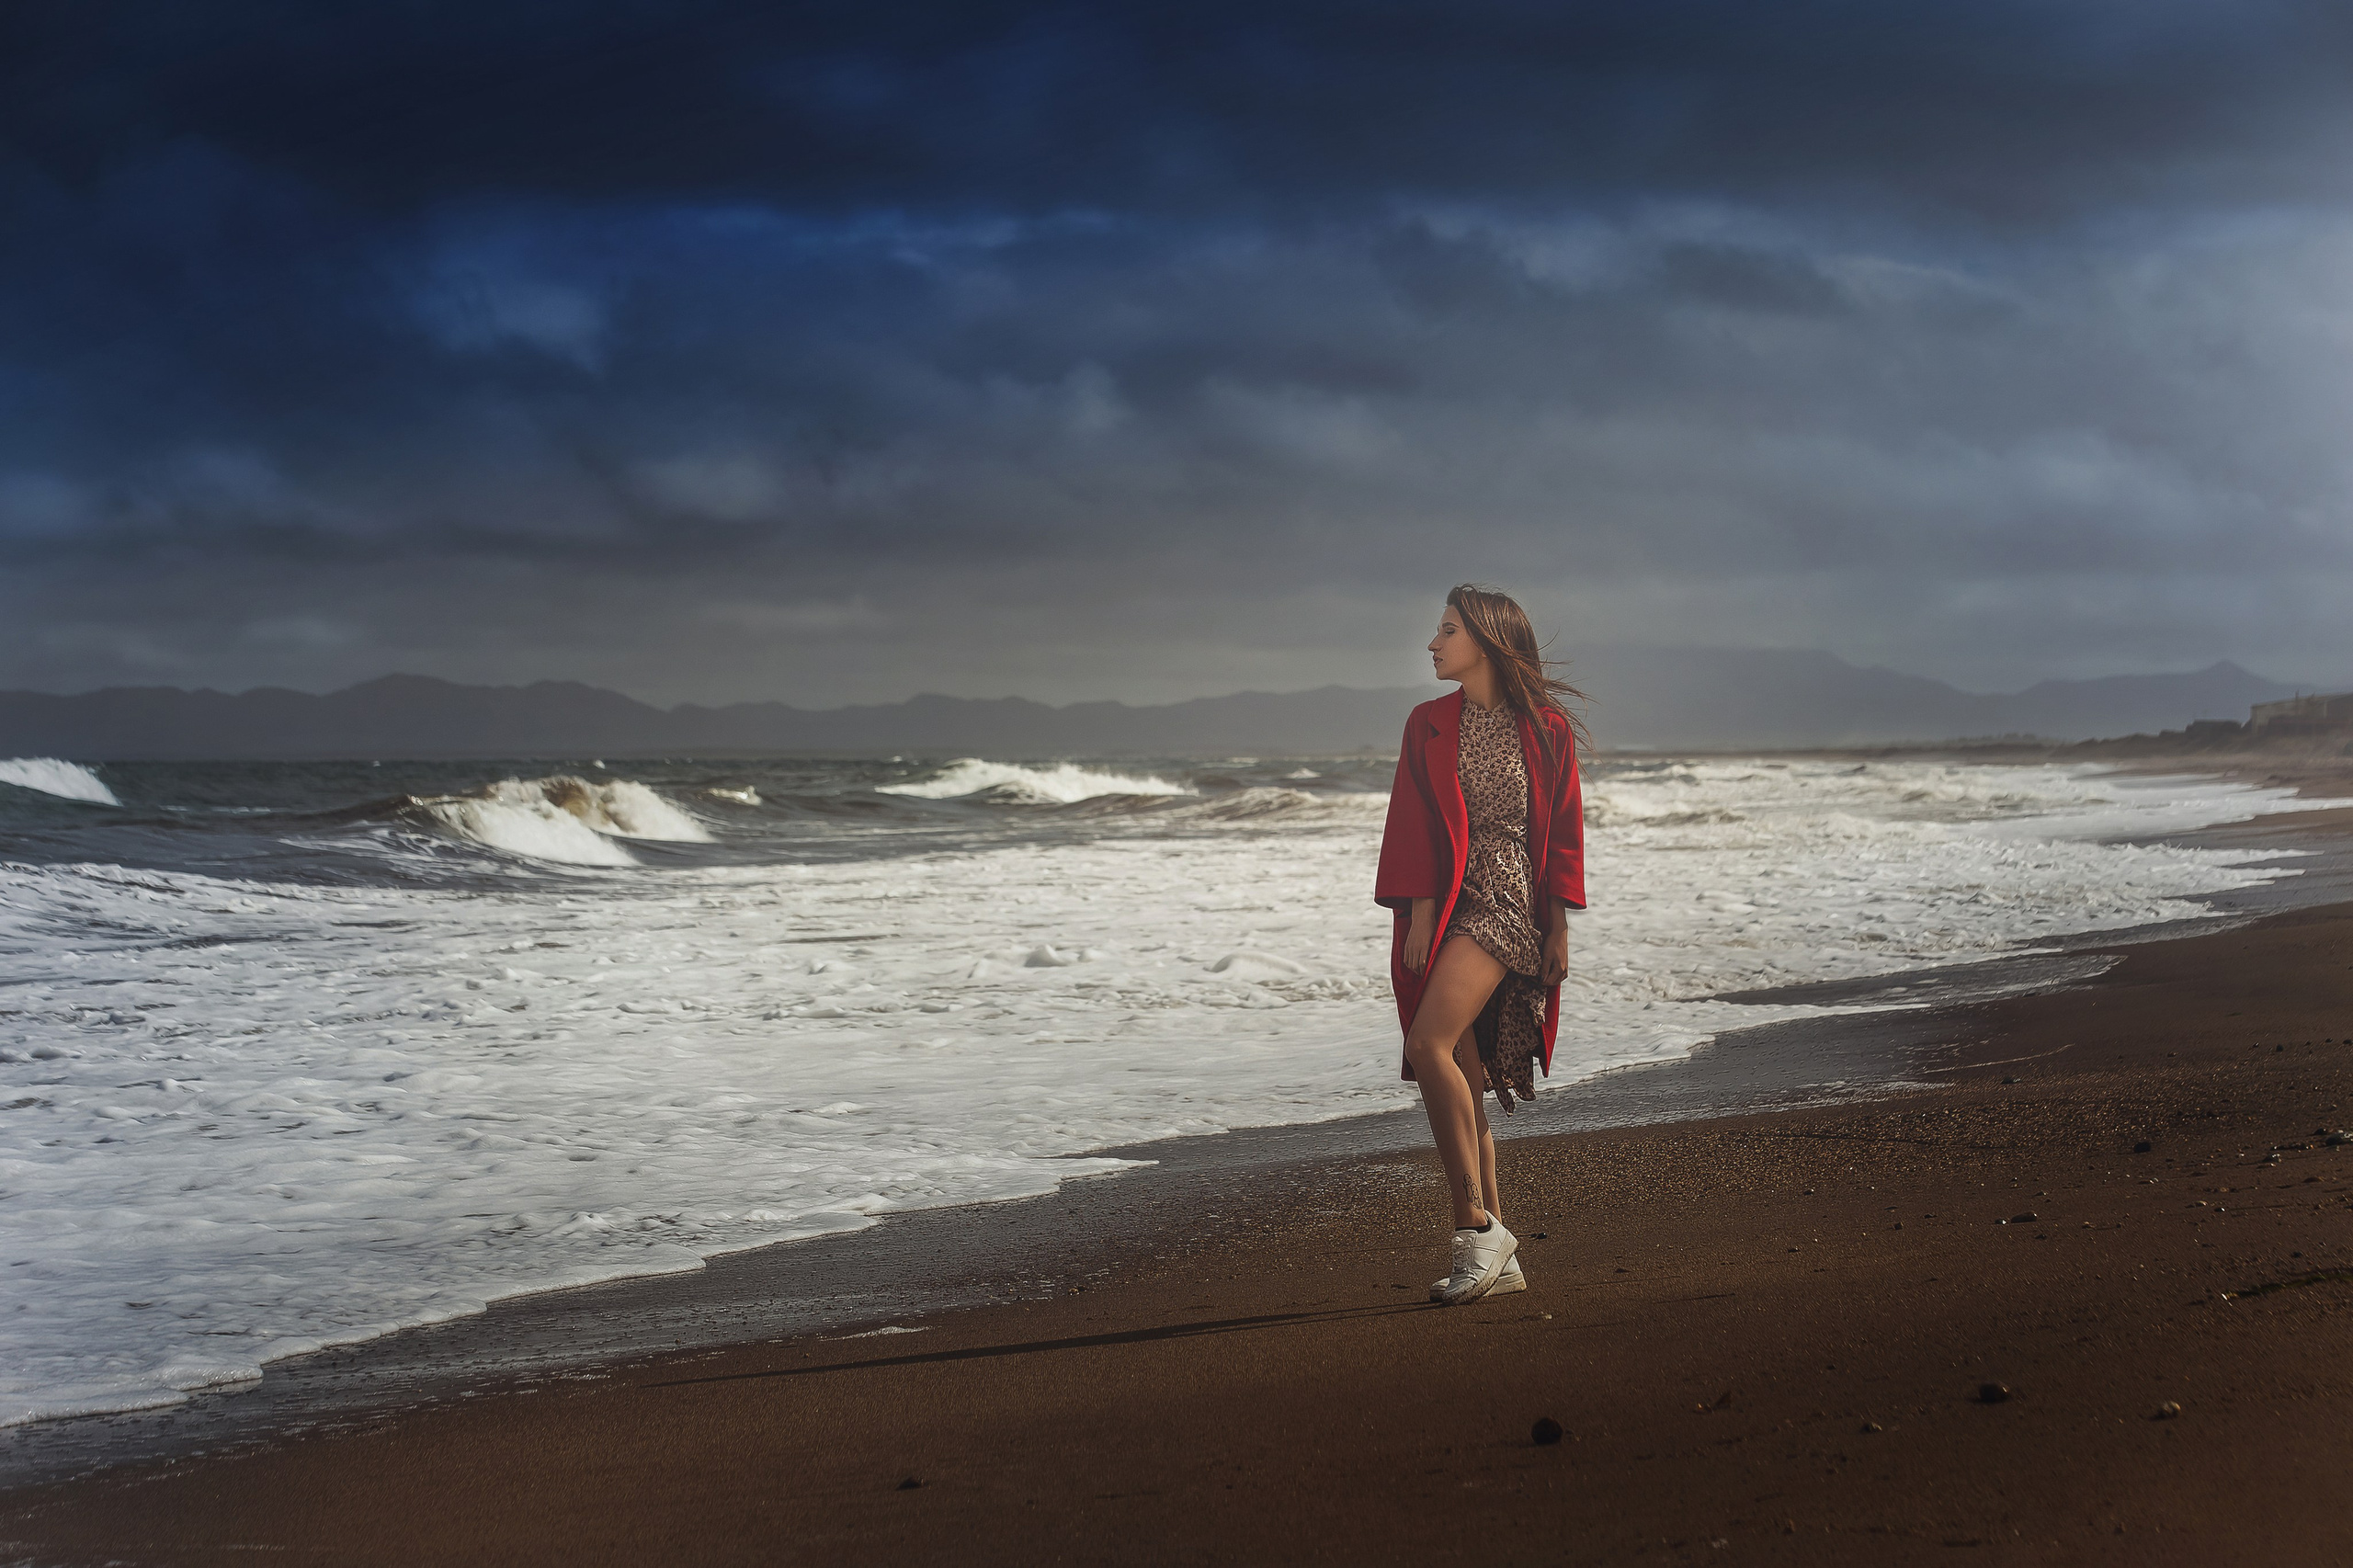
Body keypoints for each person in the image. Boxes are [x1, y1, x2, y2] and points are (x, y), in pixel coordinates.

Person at [1374, 585, 1588, 1305]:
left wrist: (1558, 926)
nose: (1433, 643)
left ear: (1488, 641)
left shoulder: (1547, 729)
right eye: (1438, 630)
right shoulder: (1428, 722)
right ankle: (1502, 1256)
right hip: (1449, 904)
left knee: (1427, 1043)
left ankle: (1472, 1227)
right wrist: (1421, 917)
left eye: (1448, 630)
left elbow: (1563, 832)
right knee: (1461, 1075)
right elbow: (1411, 822)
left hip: (1507, 903)